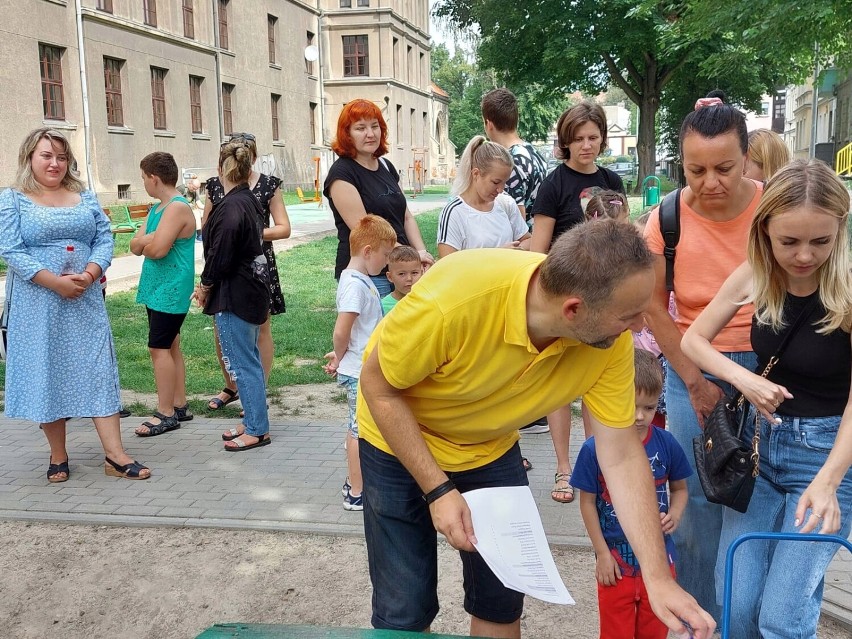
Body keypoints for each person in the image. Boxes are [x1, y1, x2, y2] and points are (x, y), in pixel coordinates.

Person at [357, 220, 716, 639]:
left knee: (503, 594)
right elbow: (378, 388)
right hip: (398, 442)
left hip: (488, 448)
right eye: (629, 316)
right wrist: (438, 490)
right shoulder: (457, 298)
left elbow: (618, 452)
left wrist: (658, 578)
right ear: (573, 309)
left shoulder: (610, 341)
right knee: (405, 605)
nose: (640, 327)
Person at [681, 160, 852, 639]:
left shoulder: (848, 290)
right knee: (736, 604)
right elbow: (694, 340)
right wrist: (747, 381)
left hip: (826, 458)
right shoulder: (754, 275)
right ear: (765, 232)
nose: (803, 256)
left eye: (821, 241)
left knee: (781, 617)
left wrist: (829, 481)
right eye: (789, 242)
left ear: (841, 229)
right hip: (758, 452)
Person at [642, 93, 762, 620]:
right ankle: (698, 624)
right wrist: (693, 381)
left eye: (724, 168)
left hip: (770, 366)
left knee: (757, 505)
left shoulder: (773, 206)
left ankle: (747, 624)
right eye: (696, 170)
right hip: (692, 365)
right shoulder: (666, 218)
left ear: (746, 159)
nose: (710, 182)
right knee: (696, 514)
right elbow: (652, 307)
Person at [0, 127, 150, 481]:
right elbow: (10, 250)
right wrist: (54, 282)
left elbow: (102, 237)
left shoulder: (83, 196)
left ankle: (114, 455)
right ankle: (57, 456)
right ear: (29, 158)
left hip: (84, 298)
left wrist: (92, 271)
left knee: (98, 367)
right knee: (47, 369)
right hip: (39, 302)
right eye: (46, 156)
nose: (55, 163)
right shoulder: (12, 198)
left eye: (62, 157)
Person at [530, 101, 626, 504]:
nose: (586, 145)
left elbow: (623, 240)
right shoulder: (554, 185)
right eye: (578, 138)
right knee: (559, 387)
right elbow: (539, 249)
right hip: (565, 296)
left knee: (595, 382)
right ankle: (563, 468)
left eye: (592, 137)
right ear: (565, 141)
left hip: (604, 297)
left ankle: (593, 464)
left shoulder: (612, 181)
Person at [571, 349, 691, 639]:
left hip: (660, 560)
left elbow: (680, 488)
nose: (640, 416)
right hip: (615, 563)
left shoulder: (667, 443)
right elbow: (586, 503)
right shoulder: (593, 448)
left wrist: (675, 513)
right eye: (632, 405)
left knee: (655, 631)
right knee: (616, 633)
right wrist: (601, 552)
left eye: (649, 408)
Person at [203, 132, 291, 413]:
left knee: (260, 327)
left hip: (256, 263)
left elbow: (283, 227)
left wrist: (247, 234)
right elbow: (206, 227)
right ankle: (232, 386)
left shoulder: (267, 185)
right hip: (222, 261)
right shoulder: (214, 186)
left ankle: (256, 391)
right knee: (222, 328)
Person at [193, 139, 271, 452]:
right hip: (250, 288)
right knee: (248, 359)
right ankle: (253, 419)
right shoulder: (248, 200)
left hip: (234, 293)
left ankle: (257, 430)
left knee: (242, 364)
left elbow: (219, 256)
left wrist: (205, 286)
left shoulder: (229, 208)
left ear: (220, 169)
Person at [481, 87, 549, 436]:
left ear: (488, 123)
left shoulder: (509, 160)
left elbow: (516, 214)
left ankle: (522, 408)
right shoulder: (534, 154)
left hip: (520, 253)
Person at [323, 99, 434, 296]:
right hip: (371, 275)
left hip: (401, 269)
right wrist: (411, 256)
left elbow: (406, 216)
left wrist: (420, 251)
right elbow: (367, 231)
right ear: (346, 133)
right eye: (360, 128)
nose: (370, 134)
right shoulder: (342, 173)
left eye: (375, 126)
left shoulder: (386, 166)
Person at [323, 215, 396, 511]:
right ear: (368, 251)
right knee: (359, 431)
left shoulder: (359, 279)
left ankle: (355, 480)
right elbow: (342, 329)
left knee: (358, 426)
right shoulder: (354, 283)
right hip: (358, 370)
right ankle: (357, 491)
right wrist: (339, 355)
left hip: (361, 365)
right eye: (386, 255)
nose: (387, 262)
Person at [130, 152, 197, 435]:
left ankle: (165, 412)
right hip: (156, 288)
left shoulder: (177, 208)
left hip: (171, 289)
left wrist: (150, 242)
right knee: (170, 345)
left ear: (154, 178)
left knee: (158, 348)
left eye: (143, 177)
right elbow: (134, 246)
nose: (143, 182)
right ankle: (179, 404)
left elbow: (156, 251)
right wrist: (149, 240)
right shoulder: (157, 208)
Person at [437, 135, 531, 258]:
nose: (501, 189)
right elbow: (448, 265)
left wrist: (518, 250)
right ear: (476, 174)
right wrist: (497, 255)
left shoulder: (506, 203)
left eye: (505, 182)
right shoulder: (454, 212)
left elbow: (528, 240)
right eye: (496, 182)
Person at [480, 88, 548, 224]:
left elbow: (517, 221)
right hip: (539, 238)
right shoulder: (535, 153)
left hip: (521, 243)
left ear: (489, 124)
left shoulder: (510, 163)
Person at [381, 245, 422, 315]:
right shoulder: (382, 307)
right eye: (402, 274)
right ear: (390, 277)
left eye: (414, 273)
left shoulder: (427, 301)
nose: (409, 278)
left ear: (422, 273)